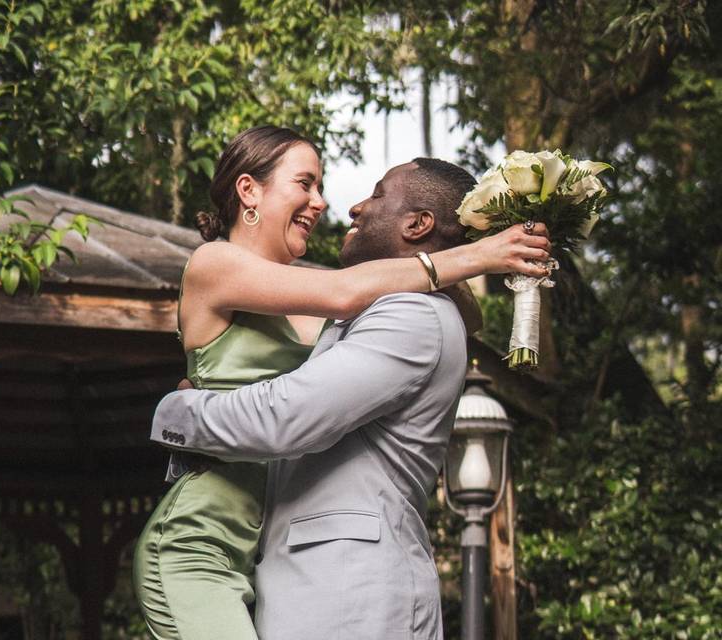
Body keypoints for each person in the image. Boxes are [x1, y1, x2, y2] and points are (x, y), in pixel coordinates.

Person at [133, 125, 550, 640]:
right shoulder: (215, 263)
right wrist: (480, 254)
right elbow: (346, 291)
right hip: (202, 538)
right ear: (249, 190)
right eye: (304, 184)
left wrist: (472, 252)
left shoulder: (339, 307)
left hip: (260, 554)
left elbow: (393, 301)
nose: (324, 203)